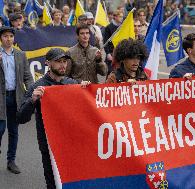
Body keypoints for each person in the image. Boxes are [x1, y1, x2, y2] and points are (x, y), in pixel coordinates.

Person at [17, 48, 90, 189]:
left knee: (72, 180)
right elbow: (21, 118)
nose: (63, 65)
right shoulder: (37, 87)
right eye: (58, 62)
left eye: (64, 61)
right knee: (53, 182)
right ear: (48, 63)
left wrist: (87, 90)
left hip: (71, 142)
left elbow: (88, 109)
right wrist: (32, 100)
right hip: (49, 144)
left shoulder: (72, 84)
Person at [0, 26, 34, 174]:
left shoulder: (20, 55)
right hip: (1, 97)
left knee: (14, 130)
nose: (9, 39)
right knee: (0, 129)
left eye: (11, 36)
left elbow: (27, 76)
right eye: (6, 36)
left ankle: (11, 160)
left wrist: (32, 90)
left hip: (15, 96)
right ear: (1, 38)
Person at [103, 10, 124, 74]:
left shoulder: (122, 27)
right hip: (111, 53)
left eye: (122, 17)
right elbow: (106, 41)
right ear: (115, 17)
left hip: (120, 53)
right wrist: (108, 53)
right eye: (120, 16)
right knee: (111, 72)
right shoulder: (108, 27)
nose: (121, 18)